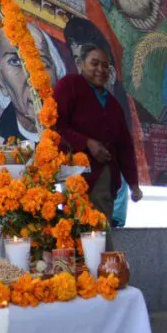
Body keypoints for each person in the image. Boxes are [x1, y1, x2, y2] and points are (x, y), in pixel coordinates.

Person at [53, 43, 143, 249]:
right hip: (78, 175)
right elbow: (56, 125)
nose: (100, 70)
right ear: (80, 64)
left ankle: (103, 275)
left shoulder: (112, 104)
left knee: (98, 230)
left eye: (106, 66)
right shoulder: (71, 85)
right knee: (86, 233)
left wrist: (134, 183)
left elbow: (125, 146)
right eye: (94, 64)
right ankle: (105, 274)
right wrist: (87, 143)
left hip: (106, 179)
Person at [0, 25, 66, 144]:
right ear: (0, 81)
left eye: (41, 61)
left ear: (56, 74)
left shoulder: (80, 138)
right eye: (16, 62)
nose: (32, 78)